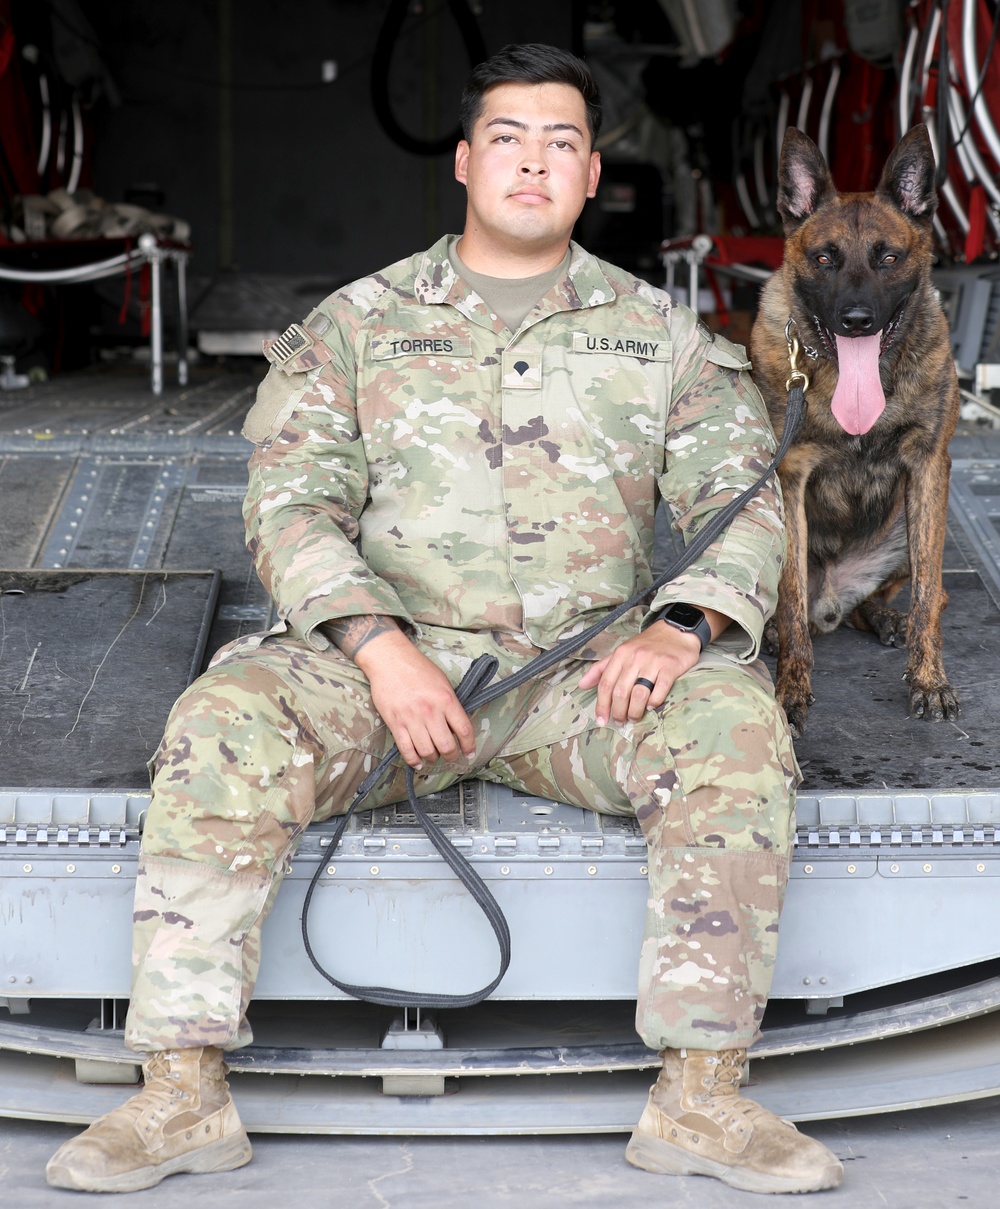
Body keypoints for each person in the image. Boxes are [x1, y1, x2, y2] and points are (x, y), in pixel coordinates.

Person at [46, 43, 842, 1195]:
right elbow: (287, 499)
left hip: (582, 675)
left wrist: (683, 627)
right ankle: (179, 1094)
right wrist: (378, 650)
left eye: (562, 142)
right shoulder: (359, 322)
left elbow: (739, 496)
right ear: (465, 163)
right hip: (388, 670)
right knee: (225, 719)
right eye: (510, 139)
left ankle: (702, 1100)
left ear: (588, 174)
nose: (535, 162)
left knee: (735, 731)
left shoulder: (655, 332)